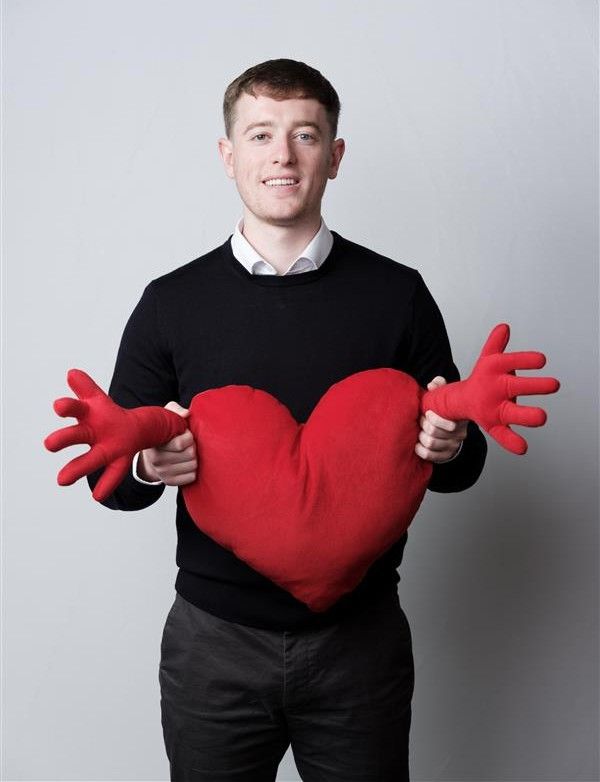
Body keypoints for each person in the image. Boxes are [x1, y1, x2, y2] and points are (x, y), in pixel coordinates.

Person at [87, 58, 487, 782]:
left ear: (334, 156)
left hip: (359, 646)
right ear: (227, 154)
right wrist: (147, 464)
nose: (283, 154)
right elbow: (111, 480)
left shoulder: (397, 294)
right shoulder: (170, 302)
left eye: (306, 134)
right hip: (213, 648)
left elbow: (465, 463)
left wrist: (451, 444)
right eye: (261, 134)